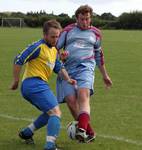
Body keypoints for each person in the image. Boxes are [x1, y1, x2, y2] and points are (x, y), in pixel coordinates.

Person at [10, 20, 76, 150]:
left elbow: (58, 66)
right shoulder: (38, 46)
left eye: (57, 36)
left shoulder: (54, 50)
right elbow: (18, 59)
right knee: (56, 113)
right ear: (44, 34)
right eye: (52, 36)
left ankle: (26, 133)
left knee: (49, 112)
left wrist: (68, 79)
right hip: (33, 84)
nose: (55, 39)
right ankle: (50, 146)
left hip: (38, 85)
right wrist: (16, 80)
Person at [56, 5, 112, 143]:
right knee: (70, 101)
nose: (85, 22)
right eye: (82, 19)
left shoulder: (96, 33)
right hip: (67, 70)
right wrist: (60, 54)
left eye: (87, 19)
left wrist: (105, 75)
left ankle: (81, 129)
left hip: (85, 67)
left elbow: (99, 55)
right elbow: (54, 47)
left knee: (83, 94)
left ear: (90, 18)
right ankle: (89, 132)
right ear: (76, 18)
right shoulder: (68, 31)